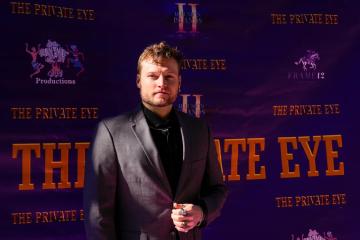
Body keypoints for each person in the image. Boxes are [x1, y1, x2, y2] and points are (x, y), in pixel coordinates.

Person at [84, 42, 227, 240]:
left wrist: (201, 212)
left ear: (179, 83)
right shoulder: (110, 132)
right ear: (138, 81)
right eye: (153, 76)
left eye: (169, 77)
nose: (162, 83)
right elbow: (98, 213)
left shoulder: (199, 130)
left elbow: (217, 189)